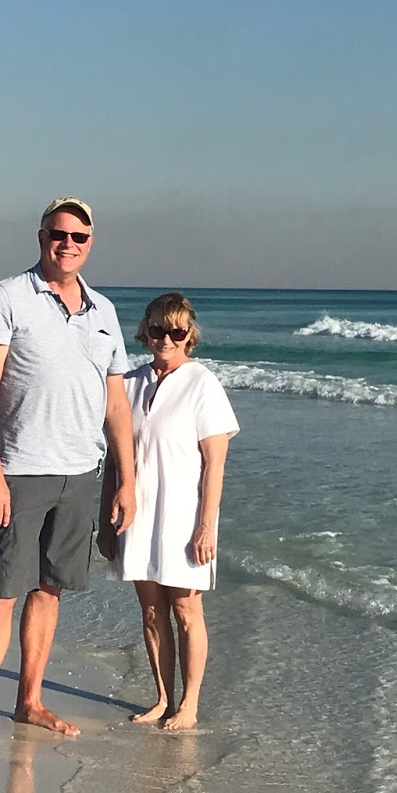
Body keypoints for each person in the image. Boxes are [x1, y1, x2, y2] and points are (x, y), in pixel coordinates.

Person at [0, 197, 136, 757]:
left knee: (50, 587)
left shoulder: (103, 310)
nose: (67, 244)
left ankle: (29, 700)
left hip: (80, 471)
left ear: (91, 243)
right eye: (57, 234)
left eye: (78, 237)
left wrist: (126, 479)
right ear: (41, 237)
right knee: (2, 591)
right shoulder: (9, 296)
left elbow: (116, 403)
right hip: (21, 470)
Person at [99, 293, 238, 730]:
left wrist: (206, 527)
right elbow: (114, 459)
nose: (166, 339)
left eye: (176, 331)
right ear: (146, 331)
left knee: (185, 610)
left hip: (184, 516)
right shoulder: (129, 383)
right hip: (136, 513)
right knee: (151, 611)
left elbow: (215, 463)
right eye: (158, 329)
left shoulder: (203, 384)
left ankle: (189, 704)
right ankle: (162, 698)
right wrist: (105, 521)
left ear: (189, 335)